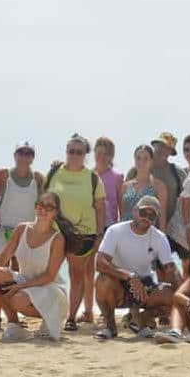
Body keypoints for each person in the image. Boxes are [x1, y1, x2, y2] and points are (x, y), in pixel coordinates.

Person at [0, 191, 73, 341]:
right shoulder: (21, 229)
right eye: (41, 205)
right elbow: (2, 257)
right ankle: (14, 325)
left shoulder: (58, 239)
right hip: (25, 283)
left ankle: (50, 319)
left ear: (55, 212)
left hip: (50, 289)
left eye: (49, 207)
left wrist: (20, 287)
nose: (43, 209)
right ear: (35, 207)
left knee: (18, 298)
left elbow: (49, 276)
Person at [94, 196, 179, 339]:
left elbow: (170, 269)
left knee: (173, 295)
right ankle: (110, 327)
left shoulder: (160, 237)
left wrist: (183, 296)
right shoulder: (115, 231)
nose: (146, 218)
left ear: (155, 219)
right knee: (102, 280)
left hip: (145, 286)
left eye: (151, 215)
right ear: (134, 211)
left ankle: (139, 321)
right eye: (143, 212)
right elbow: (100, 263)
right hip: (118, 284)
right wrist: (129, 276)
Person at [44, 133, 106, 332]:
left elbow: (100, 207)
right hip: (55, 232)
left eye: (79, 152)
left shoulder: (92, 177)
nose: (74, 155)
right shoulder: (54, 172)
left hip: (83, 234)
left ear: (85, 154)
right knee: (49, 274)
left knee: (76, 275)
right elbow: (44, 201)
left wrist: (99, 236)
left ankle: (71, 317)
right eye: (71, 151)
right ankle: (49, 314)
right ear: (66, 152)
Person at [0, 141, 44, 330]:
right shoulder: (3, 175)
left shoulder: (38, 179)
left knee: (17, 275)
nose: (24, 156)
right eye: (21, 152)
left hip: (23, 234)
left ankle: (15, 315)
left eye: (29, 153)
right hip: (1, 231)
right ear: (15, 155)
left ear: (33, 157)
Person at [78, 136, 125, 325]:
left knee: (108, 272)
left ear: (111, 156)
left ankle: (108, 311)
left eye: (106, 153)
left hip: (110, 229)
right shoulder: (86, 175)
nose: (102, 156)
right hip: (89, 227)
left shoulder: (117, 177)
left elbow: (121, 207)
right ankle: (88, 311)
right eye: (99, 152)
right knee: (87, 271)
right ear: (94, 154)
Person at [127, 132, 188, 270]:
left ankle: (182, 292)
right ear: (154, 146)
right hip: (142, 226)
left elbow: (186, 200)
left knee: (182, 266)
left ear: (171, 152)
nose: (161, 149)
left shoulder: (178, 173)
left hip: (173, 229)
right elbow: (127, 199)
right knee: (142, 269)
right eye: (159, 145)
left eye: (166, 147)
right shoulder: (135, 170)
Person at [120, 145, 168, 228]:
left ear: (151, 161)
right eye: (138, 158)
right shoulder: (125, 186)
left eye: (146, 158)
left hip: (148, 234)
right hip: (126, 234)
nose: (141, 162)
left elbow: (162, 217)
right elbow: (121, 214)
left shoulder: (159, 187)